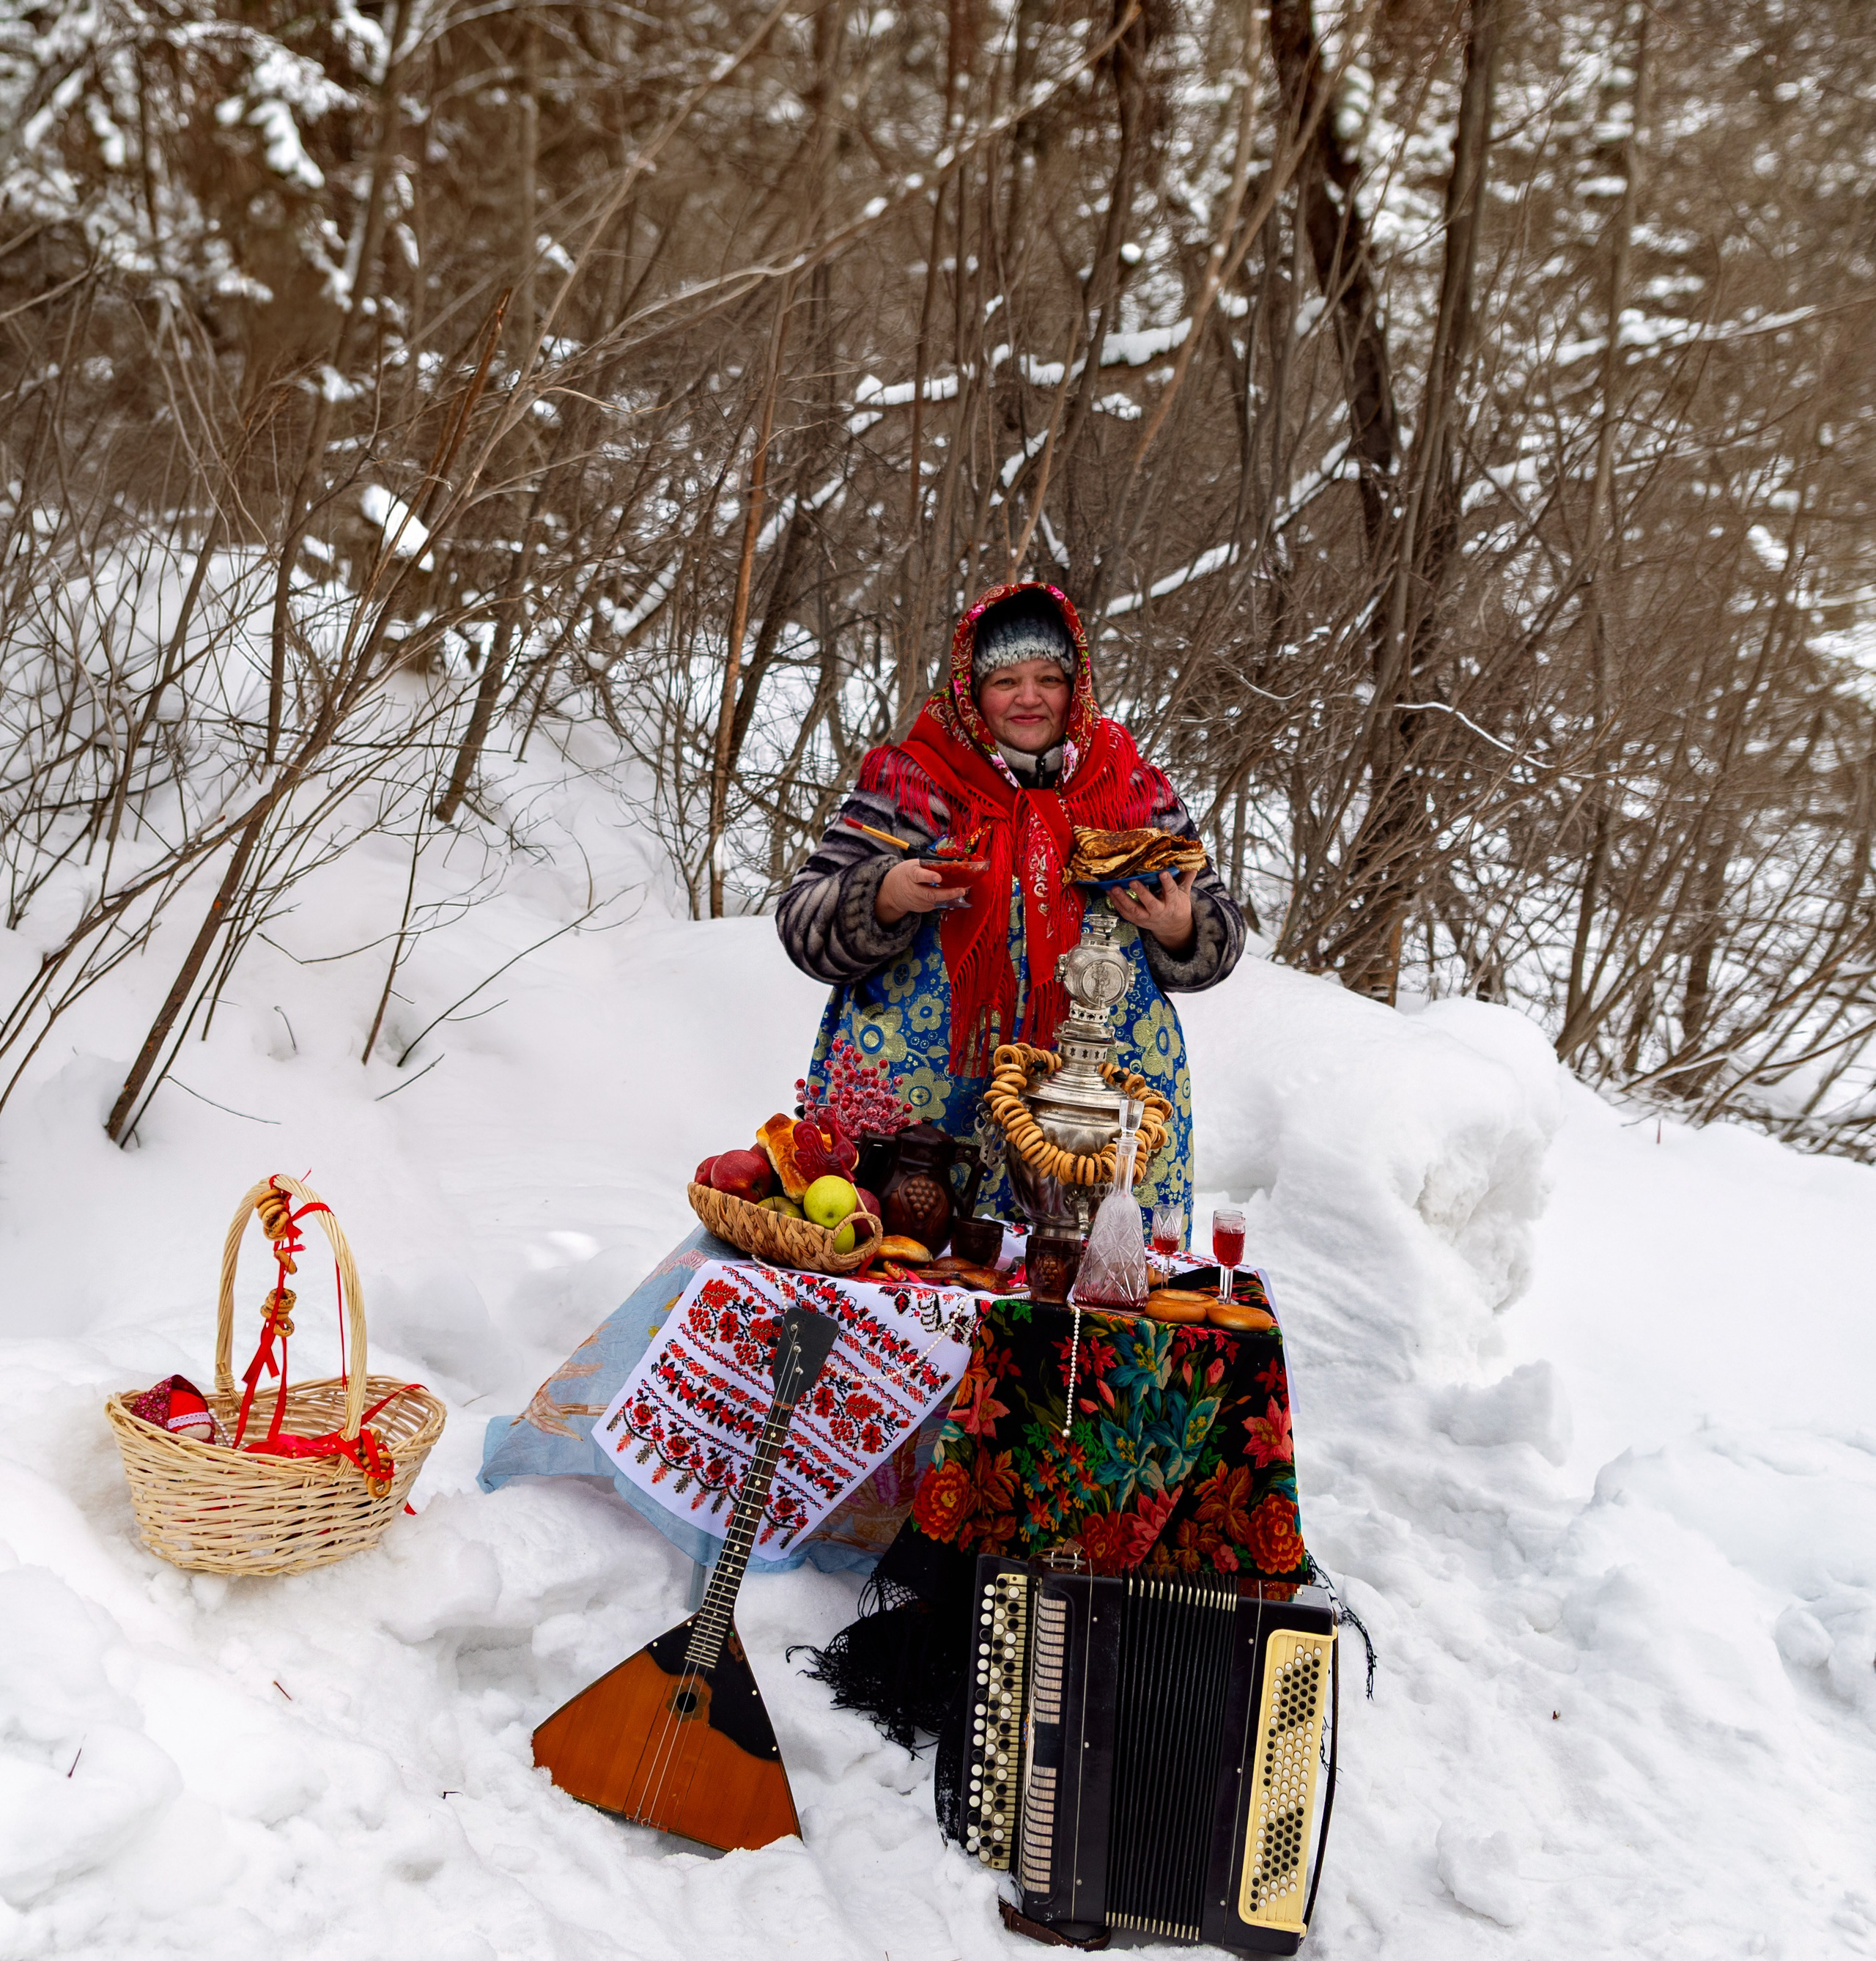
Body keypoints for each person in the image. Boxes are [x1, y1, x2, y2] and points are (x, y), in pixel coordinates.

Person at [777, 581, 1245, 1224]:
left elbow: (1222, 936)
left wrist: (1180, 925)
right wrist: (885, 893)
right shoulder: (913, 784)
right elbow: (801, 923)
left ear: (1074, 685)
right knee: (915, 1290)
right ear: (972, 689)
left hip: (1101, 1115)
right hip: (925, 1120)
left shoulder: (1132, 790)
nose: (1029, 699)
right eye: (1006, 680)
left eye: (1048, 678)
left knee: (1089, 1306)